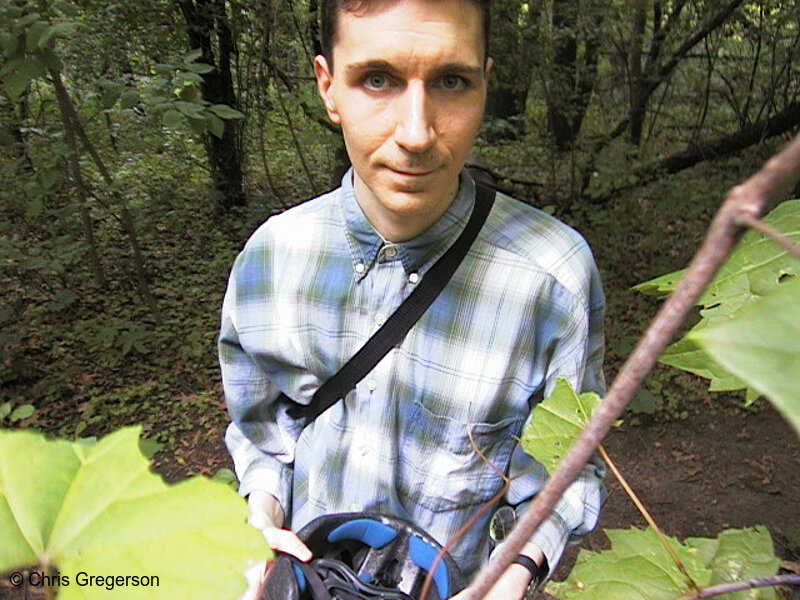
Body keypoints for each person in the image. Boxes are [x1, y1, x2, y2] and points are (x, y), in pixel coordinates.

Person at [219, 1, 606, 598]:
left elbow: (565, 475)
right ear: (328, 88)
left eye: (451, 81)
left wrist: (516, 571)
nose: (417, 133)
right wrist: (262, 519)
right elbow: (264, 430)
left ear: (484, 85)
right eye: (378, 79)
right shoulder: (271, 261)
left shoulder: (551, 280)